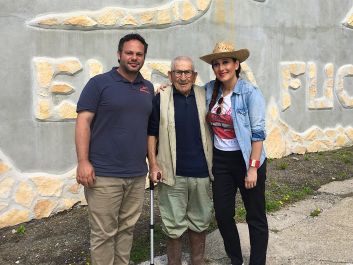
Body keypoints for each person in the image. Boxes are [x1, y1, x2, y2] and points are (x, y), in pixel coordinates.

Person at [75, 33, 154, 265]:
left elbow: (149, 129)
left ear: (144, 57)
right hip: (104, 175)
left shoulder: (147, 88)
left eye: (139, 54)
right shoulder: (98, 84)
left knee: (127, 230)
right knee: (103, 234)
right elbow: (83, 122)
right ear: (119, 54)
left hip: (137, 174)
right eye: (129, 53)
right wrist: (83, 162)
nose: (134, 58)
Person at [200, 42, 268, 265]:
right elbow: (187, 91)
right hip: (221, 160)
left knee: (255, 216)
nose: (221, 68)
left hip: (247, 159)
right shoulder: (211, 89)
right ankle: (236, 260)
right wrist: (165, 88)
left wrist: (252, 168)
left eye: (226, 62)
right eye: (216, 64)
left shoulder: (250, 92)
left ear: (236, 64)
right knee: (222, 214)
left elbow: (258, 133)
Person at [147, 56, 213, 265]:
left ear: (194, 75)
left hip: (202, 173)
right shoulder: (161, 97)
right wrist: (153, 164)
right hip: (171, 173)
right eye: (178, 72)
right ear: (170, 75)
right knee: (173, 225)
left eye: (187, 73)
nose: (183, 77)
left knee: (200, 222)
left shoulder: (206, 95)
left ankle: (197, 261)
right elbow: (151, 134)